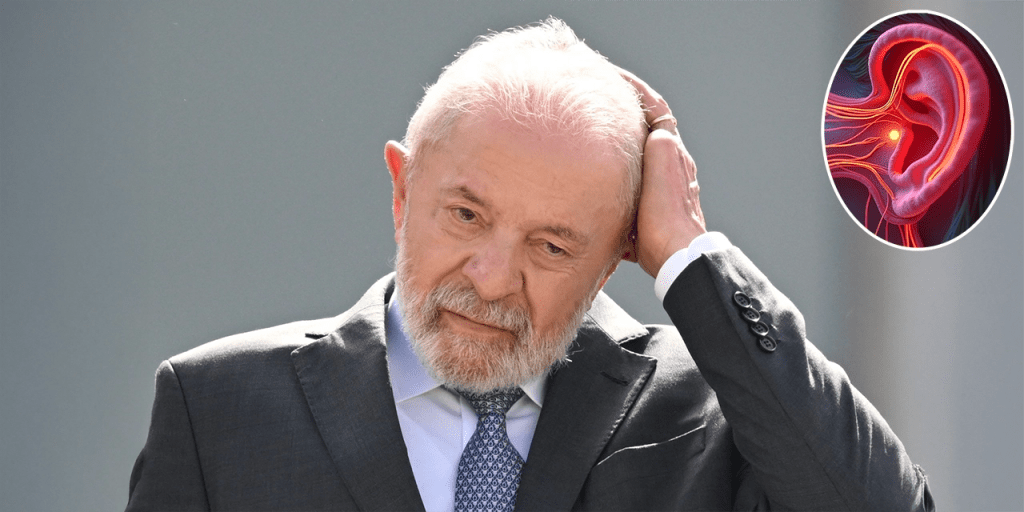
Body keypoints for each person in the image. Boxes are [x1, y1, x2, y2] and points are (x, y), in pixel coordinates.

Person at [126, 18, 934, 511]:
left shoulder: (715, 413)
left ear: (616, 256)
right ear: (402, 190)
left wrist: (690, 257)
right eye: (466, 215)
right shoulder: (219, 408)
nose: (491, 278)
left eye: (552, 246)